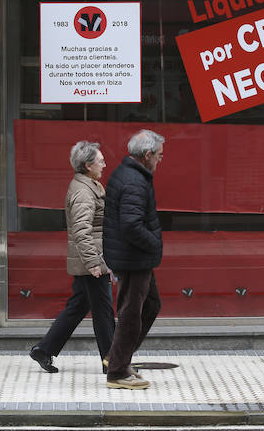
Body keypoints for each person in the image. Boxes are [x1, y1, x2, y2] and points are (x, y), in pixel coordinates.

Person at [30, 141, 115, 374]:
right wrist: (93, 263)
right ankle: (112, 360)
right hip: (92, 261)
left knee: (79, 306)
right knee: (104, 312)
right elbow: (81, 229)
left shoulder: (88, 186)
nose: (104, 164)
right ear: (88, 165)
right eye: (100, 161)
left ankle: (44, 350)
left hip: (91, 259)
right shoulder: (83, 192)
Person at [102, 129, 165, 390]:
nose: (160, 160)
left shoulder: (129, 174)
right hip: (133, 259)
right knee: (131, 313)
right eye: (159, 155)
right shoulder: (134, 181)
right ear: (147, 154)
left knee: (150, 305)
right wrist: (155, 243)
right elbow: (130, 225)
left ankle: (117, 358)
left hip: (133, 257)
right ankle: (117, 371)